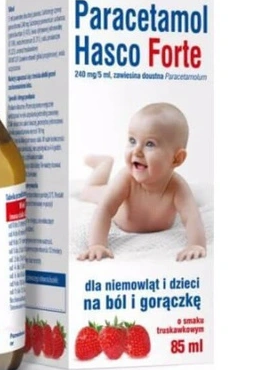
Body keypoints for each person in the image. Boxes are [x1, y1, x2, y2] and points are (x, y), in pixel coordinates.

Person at [77, 102, 206, 262]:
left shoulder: (177, 187)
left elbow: (192, 217)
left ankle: (105, 163)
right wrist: (97, 244)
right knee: (88, 191)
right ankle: (103, 164)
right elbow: (104, 210)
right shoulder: (126, 178)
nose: (136, 150)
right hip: (109, 193)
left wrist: (196, 244)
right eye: (132, 140)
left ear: (176, 158)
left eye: (150, 144)